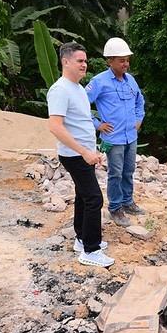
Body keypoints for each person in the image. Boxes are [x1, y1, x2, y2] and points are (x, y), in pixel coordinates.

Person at [47, 42, 114, 268]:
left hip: (85, 154)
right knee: (94, 198)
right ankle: (91, 250)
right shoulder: (60, 90)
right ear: (66, 62)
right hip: (75, 155)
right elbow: (55, 126)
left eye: (85, 61)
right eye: (80, 61)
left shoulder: (77, 88)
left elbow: (82, 123)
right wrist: (84, 152)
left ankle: (81, 238)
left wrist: (92, 150)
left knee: (84, 196)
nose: (84, 65)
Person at [85, 37, 145, 228]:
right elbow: (80, 104)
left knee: (129, 171)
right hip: (113, 138)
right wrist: (97, 124)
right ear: (109, 61)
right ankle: (116, 208)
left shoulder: (131, 81)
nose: (125, 64)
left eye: (127, 60)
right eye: (121, 60)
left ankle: (128, 202)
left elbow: (139, 102)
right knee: (115, 173)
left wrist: (138, 120)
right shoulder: (99, 82)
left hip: (131, 136)